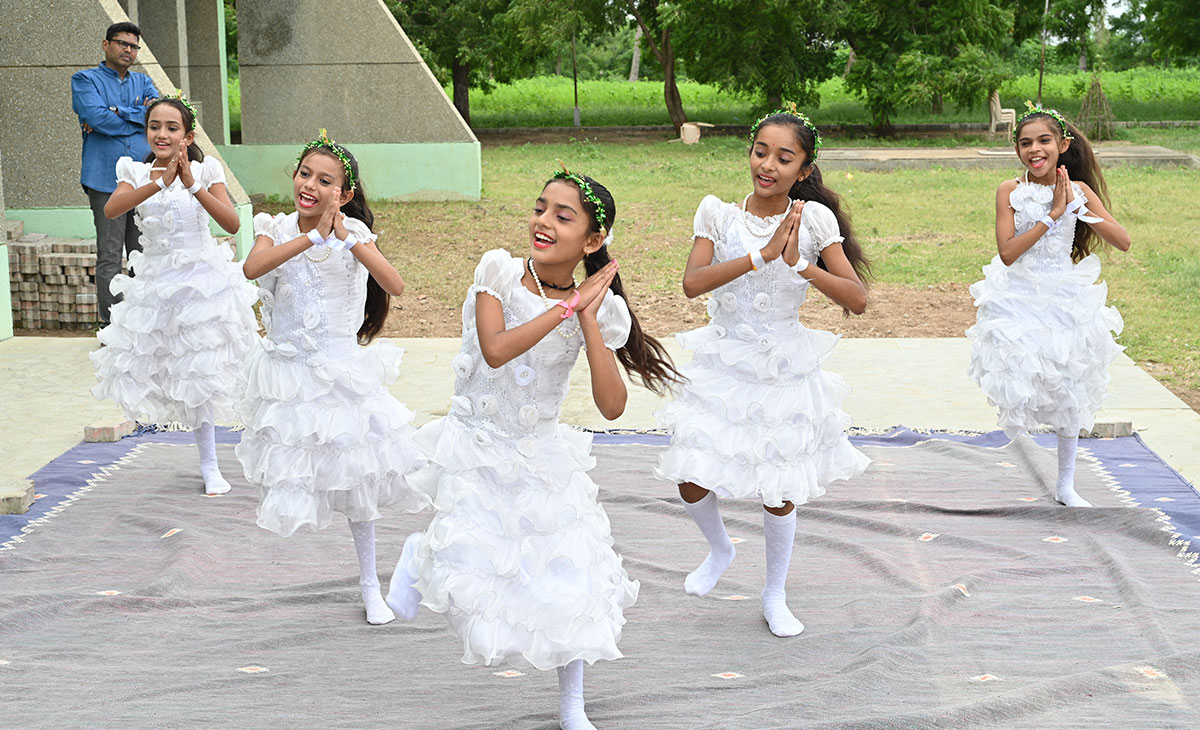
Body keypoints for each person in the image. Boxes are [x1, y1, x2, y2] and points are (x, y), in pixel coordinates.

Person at [386, 169, 680, 729]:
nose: (542, 222)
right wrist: (567, 310)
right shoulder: (496, 271)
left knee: (571, 577)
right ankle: (420, 557)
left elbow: (613, 405)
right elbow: (495, 350)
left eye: (562, 216)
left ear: (592, 242)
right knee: (472, 575)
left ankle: (573, 706)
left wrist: (589, 317)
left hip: (539, 450)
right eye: (540, 207)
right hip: (476, 443)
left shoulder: (593, 308)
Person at [654, 106, 871, 638]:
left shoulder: (814, 220)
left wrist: (798, 263)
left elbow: (857, 299)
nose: (768, 165)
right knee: (689, 474)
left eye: (784, 157)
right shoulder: (717, 215)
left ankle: (774, 593)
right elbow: (692, 283)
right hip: (723, 359)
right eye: (760, 151)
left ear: (804, 167)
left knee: (778, 486)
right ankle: (720, 549)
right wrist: (761, 256)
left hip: (781, 365)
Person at [236, 131, 429, 625]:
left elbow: (395, 284)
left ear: (344, 194)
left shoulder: (355, 236)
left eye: (326, 181)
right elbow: (252, 267)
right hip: (290, 377)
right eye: (304, 174)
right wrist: (310, 238)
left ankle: (371, 584)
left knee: (357, 479)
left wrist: (347, 239)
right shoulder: (274, 227)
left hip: (342, 372)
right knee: (295, 477)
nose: (310, 186)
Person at [91, 94, 258, 496]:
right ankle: (203, 456)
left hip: (202, 285)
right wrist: (158, 182)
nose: (161, 134)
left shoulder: (206, 169)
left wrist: (191, 184)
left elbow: (232, 223)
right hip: (158, 285)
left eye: (171, 127)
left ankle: (211, 463)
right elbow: (113, 209)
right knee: (169, 374)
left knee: (203, 373)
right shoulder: (134, 169)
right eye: (154, 127)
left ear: (188, 134)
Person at [967, 103, 1131, 507]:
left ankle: (1066, 485)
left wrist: (1079, 208)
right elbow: (1007, 253)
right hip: (1020, 294)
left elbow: (1123, 240)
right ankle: (1018, 453)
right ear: (1017, 149)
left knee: (1070, 386)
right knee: (1023, 379)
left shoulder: (1079, 190)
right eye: (1025, 143)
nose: (1034, 150)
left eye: (1043, 141)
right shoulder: (1009, 190)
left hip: (1063, 296)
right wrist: (1053, 216)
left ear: (1063, 144)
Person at [71, 21, 159, 326]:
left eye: (134, 46)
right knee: (110, 254)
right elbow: (96, 117)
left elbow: (156, 116)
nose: (128, 50)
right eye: (123, 43)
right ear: (106, 44)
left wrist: (118, 112)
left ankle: (140, 321)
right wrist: (131, 118)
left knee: (141, 252)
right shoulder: (85, 80)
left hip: (143, 180)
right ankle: (111, 325)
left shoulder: (144, 83)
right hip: (104, 179)